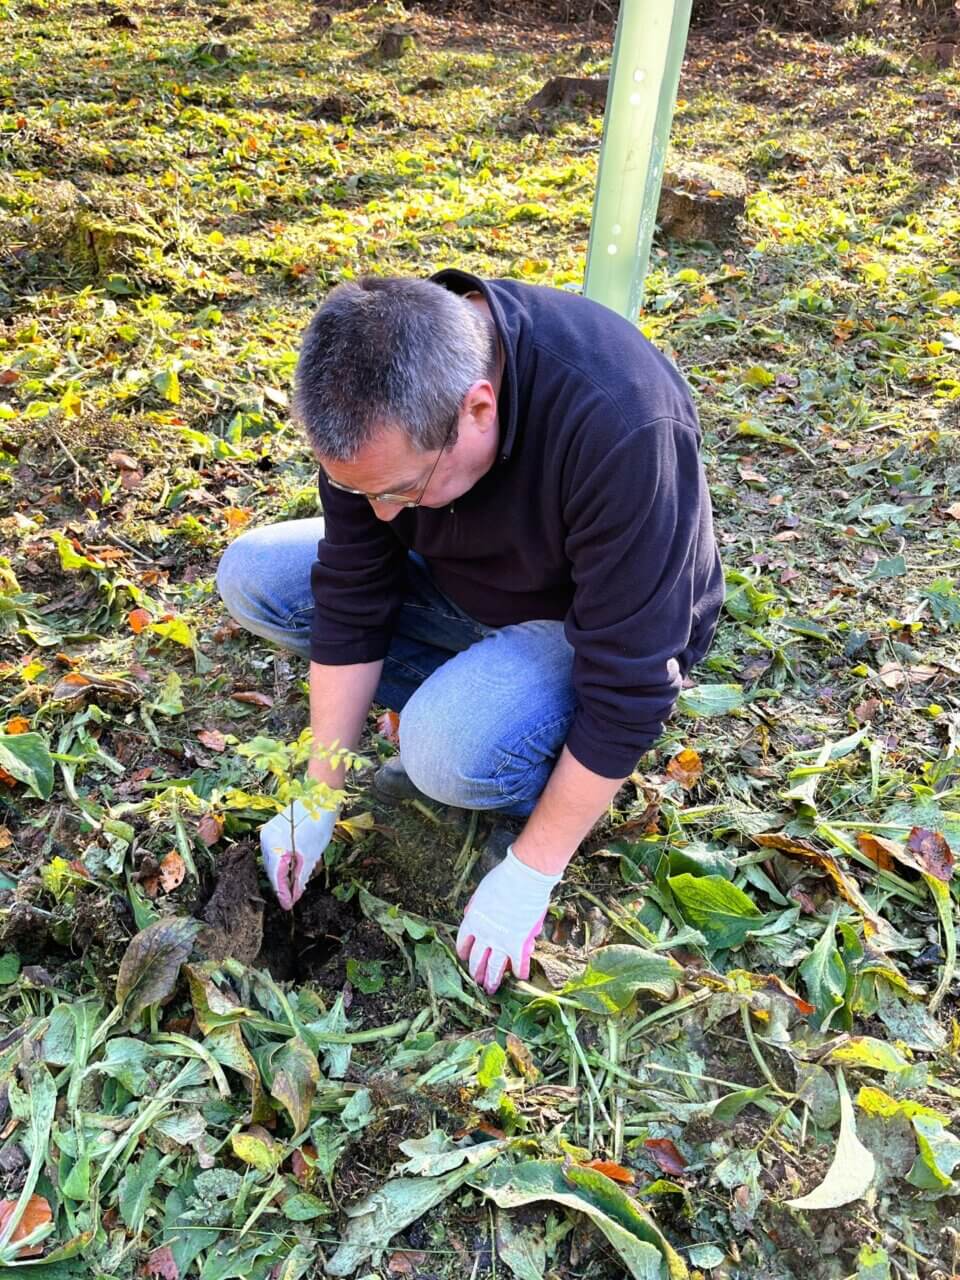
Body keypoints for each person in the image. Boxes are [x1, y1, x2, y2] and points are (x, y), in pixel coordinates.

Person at [216, 269, 724, 994]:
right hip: (467, 585)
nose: (384, 515)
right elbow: (354, 588)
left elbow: (631, 685)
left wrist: (531, 870)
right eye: (364, 492)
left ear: (477, 409)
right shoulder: (374, 399)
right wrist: (318, 795)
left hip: (588, 626)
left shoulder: (621, 423)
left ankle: (518, 748)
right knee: (255, 574)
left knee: (444, 751)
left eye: (400, 491)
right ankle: (478, 691)